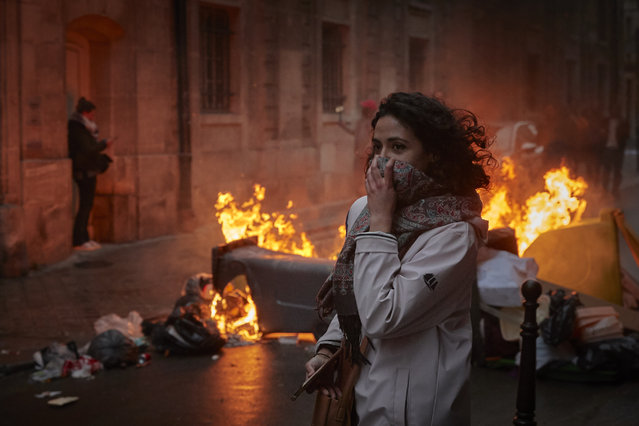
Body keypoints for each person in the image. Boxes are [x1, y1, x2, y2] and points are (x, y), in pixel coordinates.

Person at [306, 92, 494, 425]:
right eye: (377, 147)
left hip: (417, 406)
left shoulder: (453, 234)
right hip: (360, 389)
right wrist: (328, 347)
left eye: (398, 148)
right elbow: (356, 291)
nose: (383, 160)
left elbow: (383, 315)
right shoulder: (362, 211)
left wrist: (380, 224)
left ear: (433, 155)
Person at [68, 97, 115, 250]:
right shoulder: (77, 127)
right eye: (92, 114)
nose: (93, 117)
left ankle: (85, 238)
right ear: (85, 113)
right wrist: (103, 144)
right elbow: (88, 149)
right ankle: (79, 240)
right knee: (85, 205)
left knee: (87, 205)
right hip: (84, 171)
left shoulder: (84, 128)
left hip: (88, 170)